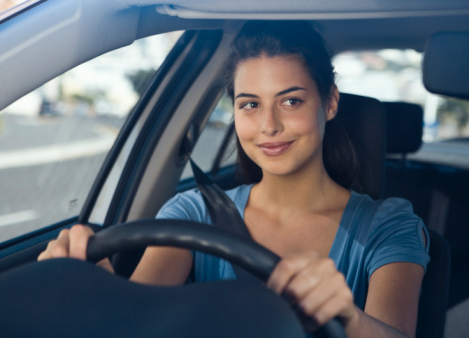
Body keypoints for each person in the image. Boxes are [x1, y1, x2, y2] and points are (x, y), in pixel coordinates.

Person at [38, 21, 430, 337]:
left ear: (329, 102)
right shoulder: (193, 212)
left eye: (291, 101)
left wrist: (347, 317)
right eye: (250, 105)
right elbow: (139, 321)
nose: (269, 126)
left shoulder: (389, 226)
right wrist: (97, 281)